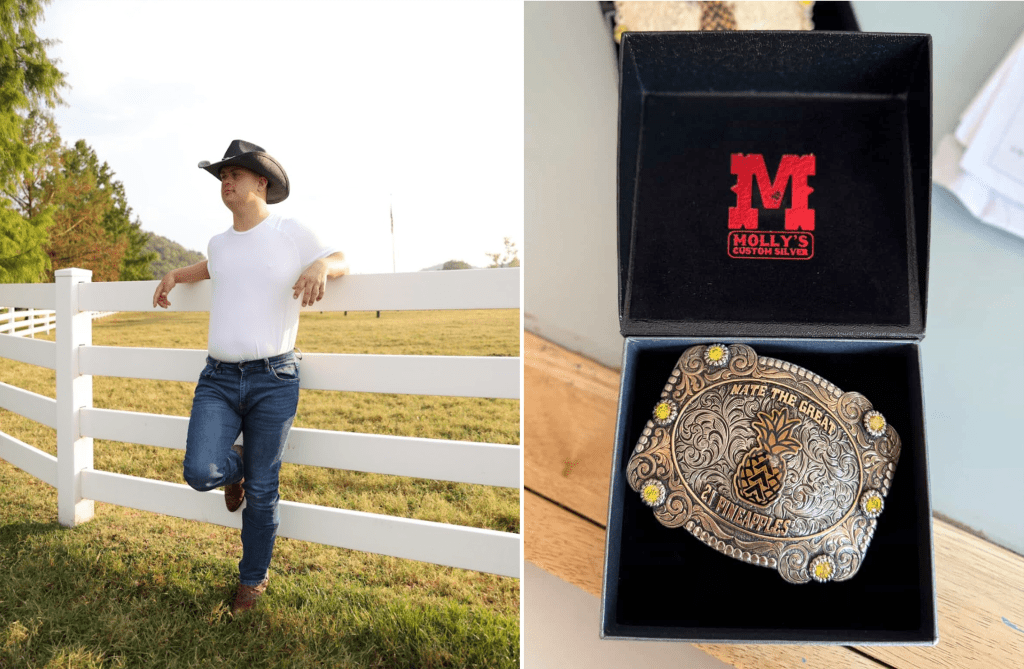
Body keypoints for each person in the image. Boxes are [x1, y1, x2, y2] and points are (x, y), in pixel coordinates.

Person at [151, 140, 348, 614]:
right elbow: (217, 266)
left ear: (262, 182)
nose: (226, 182)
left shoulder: (290, 230)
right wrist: (178, 274)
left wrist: (322, 264)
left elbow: (340, 258)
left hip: (274, 377)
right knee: (200, 471)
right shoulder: (219, 243)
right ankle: (234, 464)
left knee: (263, 491)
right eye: (222, 176)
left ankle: (251, 583)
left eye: (235, 174)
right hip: (217, 378)